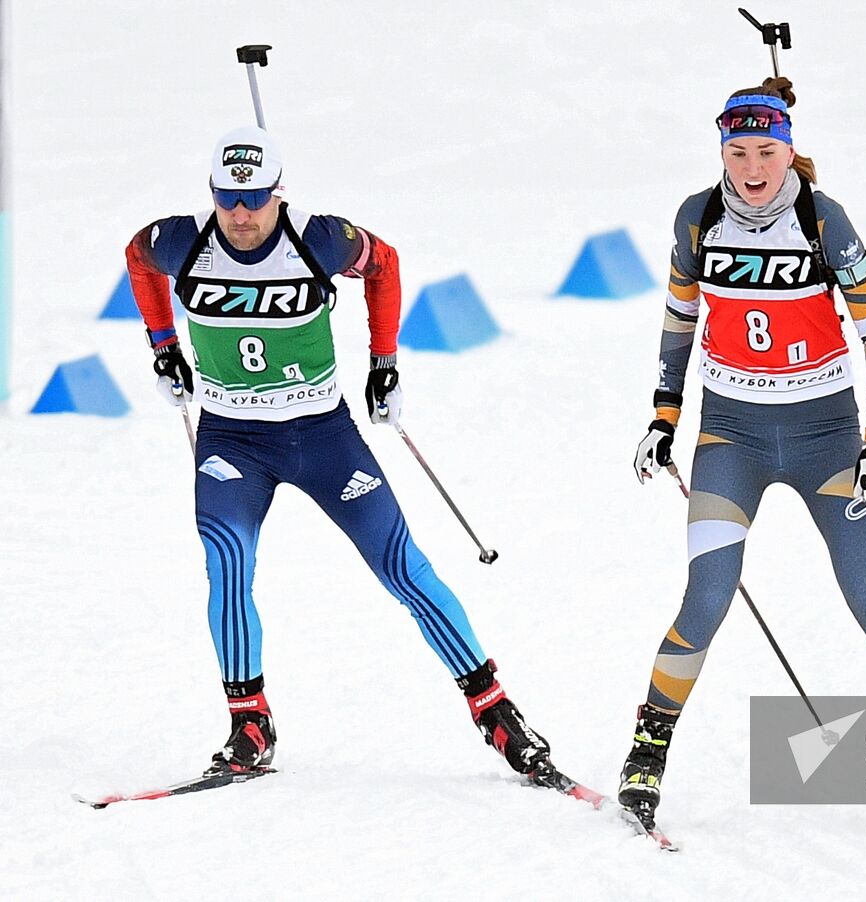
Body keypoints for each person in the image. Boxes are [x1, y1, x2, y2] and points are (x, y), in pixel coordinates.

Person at [124, 125, 556, 782]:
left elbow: (384, 264)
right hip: (232, 440)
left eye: (255, 199)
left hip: (321, 437)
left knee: (402, 567)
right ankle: (250, 723)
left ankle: (495, 712)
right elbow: (136, 256)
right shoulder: (184, 240)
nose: (240, 215)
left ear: (278, 192)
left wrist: (384, 363)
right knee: (227, 560)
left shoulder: (318, 239)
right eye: (228, 199)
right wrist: (164, 346)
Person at [621, 78, 866, 832]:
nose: (751, 167)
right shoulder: (698, 217)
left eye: (766, 150)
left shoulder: (821, 217)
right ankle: (645, 759)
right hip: (730, 438)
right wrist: (663, 415)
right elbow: (681, 318)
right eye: (737, 150)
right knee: (706, 597)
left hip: (826, 440)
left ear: (788, 150)